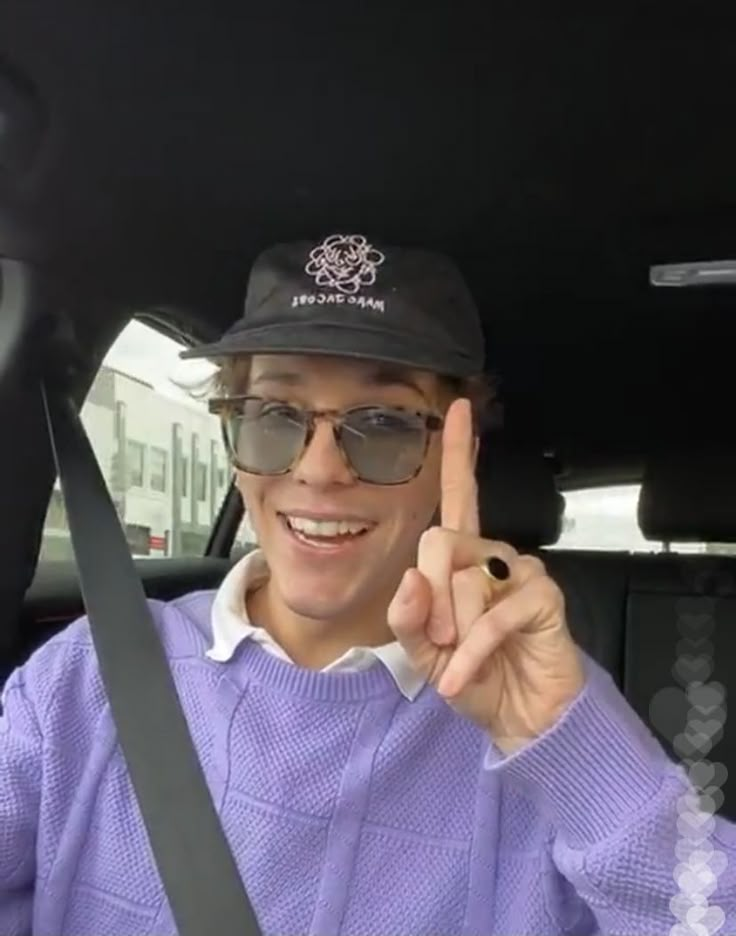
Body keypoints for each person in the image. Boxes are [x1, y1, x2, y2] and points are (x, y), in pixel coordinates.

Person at [1, 234, 734, 935]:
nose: (319, 470)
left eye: (381, 423)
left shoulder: (540, 727)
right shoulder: (88, 675)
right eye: (274, 415)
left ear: (460, 451)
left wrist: (576, 757)